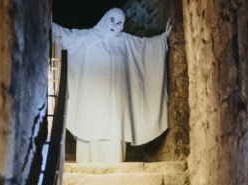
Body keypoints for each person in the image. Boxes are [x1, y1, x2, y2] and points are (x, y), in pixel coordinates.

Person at [52, 8, 171, 163]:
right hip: (93, 103)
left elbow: (145, 47)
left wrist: (163, 39)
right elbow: (68, 37)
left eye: (119, 22)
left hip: (117, 107)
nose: (115, 25)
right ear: (105, 19)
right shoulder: (88, 38)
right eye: (112, 20)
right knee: (90, 133)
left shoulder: (127, 41)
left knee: (115, 136)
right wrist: (49, 24)